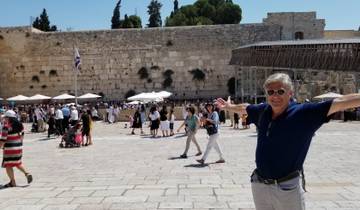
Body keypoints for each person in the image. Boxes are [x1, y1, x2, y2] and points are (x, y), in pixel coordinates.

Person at [216, 73, 360, 210]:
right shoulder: (263, 111)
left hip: (287, 188)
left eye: (280, 91)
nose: (275, 96)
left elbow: (341, 101)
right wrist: (229, 107)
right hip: (260, 185)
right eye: (271, 92)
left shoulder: (304, 113)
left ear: (290, 93)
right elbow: (245, 108)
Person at [0, 110, 33, 187]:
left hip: (9, 148)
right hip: (18, 147)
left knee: (8, 165)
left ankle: (12, 182)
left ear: (8, 118)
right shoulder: (20, 125)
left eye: (6, 118)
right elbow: (22, 136)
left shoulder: (6, 127)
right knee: (17, 162)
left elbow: (3, 139)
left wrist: (0, 146)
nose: (5, 119)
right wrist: (19, 143)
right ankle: (27, 173)